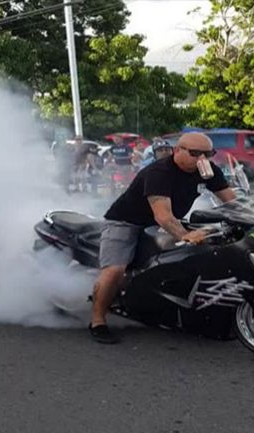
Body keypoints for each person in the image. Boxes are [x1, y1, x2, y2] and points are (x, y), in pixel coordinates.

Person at [89, 132, 238, 344]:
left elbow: (232, 202)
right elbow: (163, 216)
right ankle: (98, 321)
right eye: (195, 153)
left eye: (208, 154)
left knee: (204, 253)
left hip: (166, 222)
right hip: (128, 222)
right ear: (177, 151)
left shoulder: (207, 170)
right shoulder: (160, 172)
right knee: (115, 270)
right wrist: (186, 235)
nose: (202, 159)